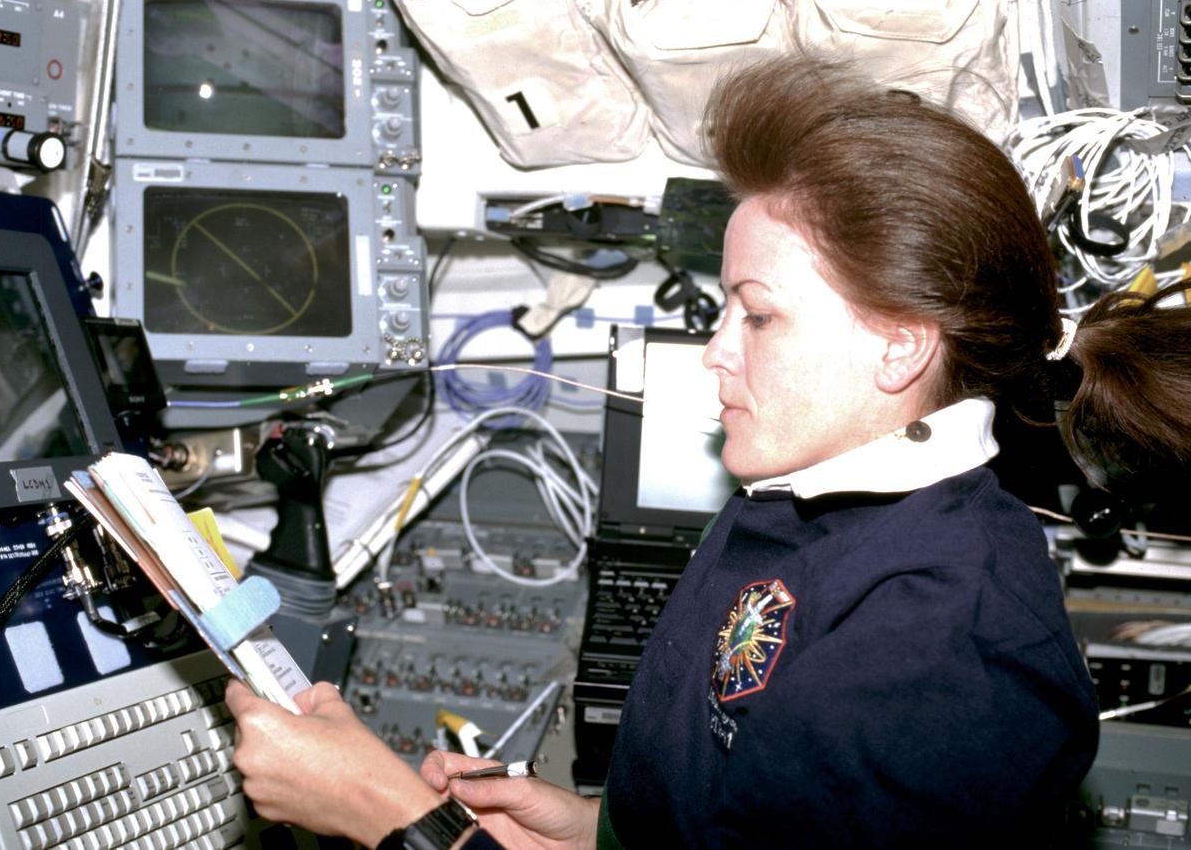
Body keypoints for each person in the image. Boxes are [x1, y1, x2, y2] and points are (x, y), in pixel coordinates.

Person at [225, 55, 1191, 848]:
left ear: (900, 343)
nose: (715, 353)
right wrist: (595, 828)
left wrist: (388, 817)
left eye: (758, 315)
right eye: (725, 306)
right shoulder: (811, 498)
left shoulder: (947, 655)